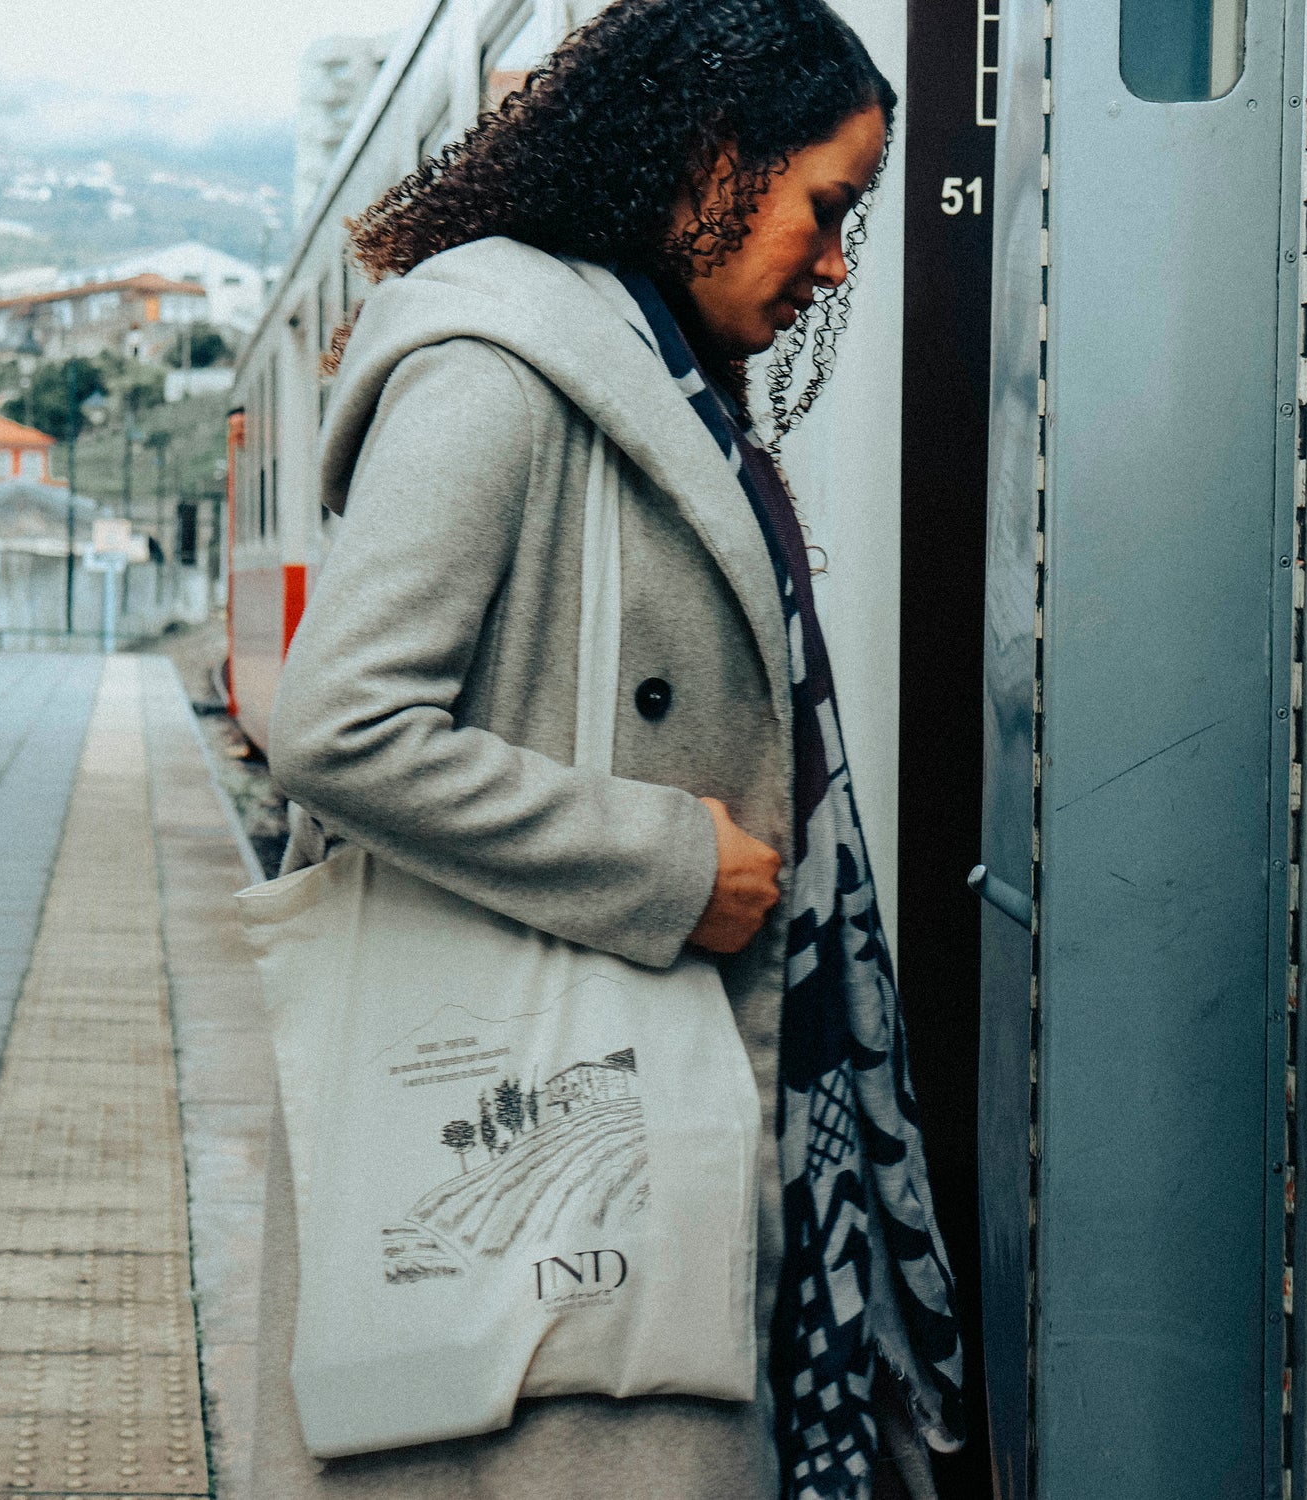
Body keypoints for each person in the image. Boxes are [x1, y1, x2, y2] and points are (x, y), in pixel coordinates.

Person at [253, 2, 963, 1496]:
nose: (836, 262)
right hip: (539, 1116)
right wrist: (662, 860)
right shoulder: (499, 368)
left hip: (631, 1118)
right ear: (715, 157)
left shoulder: (652, 375)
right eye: (825, 208)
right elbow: (336, 721)